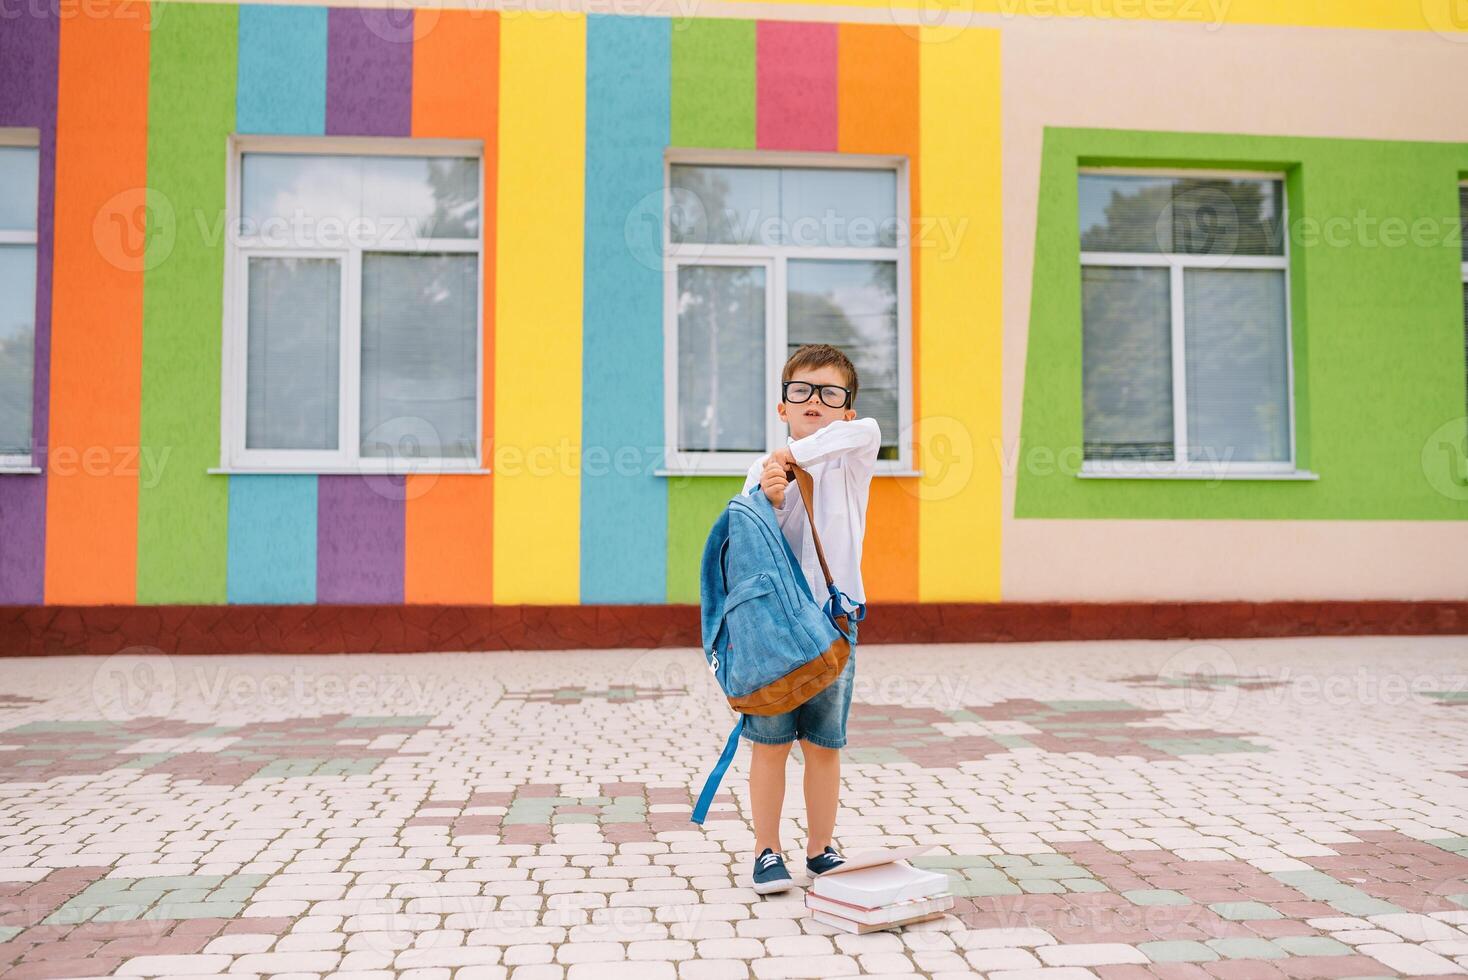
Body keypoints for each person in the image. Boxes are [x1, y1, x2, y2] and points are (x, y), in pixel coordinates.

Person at [737, 342, 882, 895]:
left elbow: (861, 429)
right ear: (782, 406)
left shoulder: (853, 450)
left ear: (847, 406)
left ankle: (822, 848)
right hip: (774, 626)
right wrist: (767, 495)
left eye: (829, 393)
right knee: (770, 743)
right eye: (801, 391)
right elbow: (748, 547)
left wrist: (794, 457)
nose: (814, 400)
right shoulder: (760, 469)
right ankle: (766, 851)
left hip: (833, 619)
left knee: (824, 743)